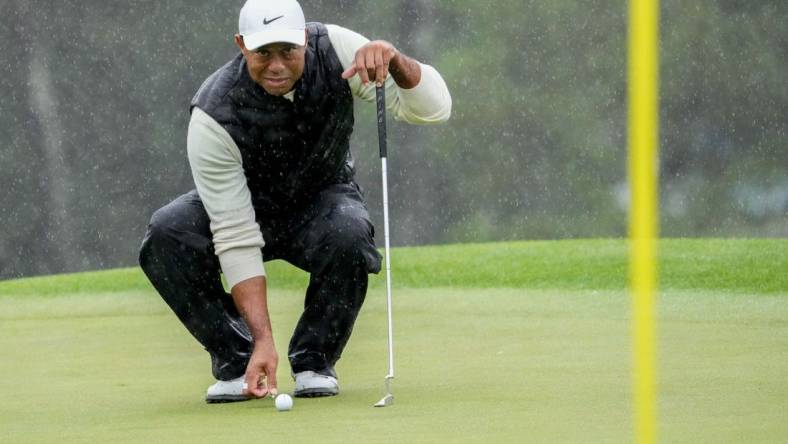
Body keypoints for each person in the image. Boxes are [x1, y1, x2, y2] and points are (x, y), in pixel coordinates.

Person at [139, 0, 451, 403]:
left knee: (349, 232)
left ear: (305, 40)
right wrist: (262, 340)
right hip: (244, 206)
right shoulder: (213, 114)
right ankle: (239, 361)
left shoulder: (338, 51)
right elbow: (235, 234)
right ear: (241, 45)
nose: (276, 65)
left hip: (324, 200)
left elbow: (435, 109)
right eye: (262, 53)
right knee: (167, 234)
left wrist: (394, 61)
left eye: (288, 51)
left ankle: (314, 360)